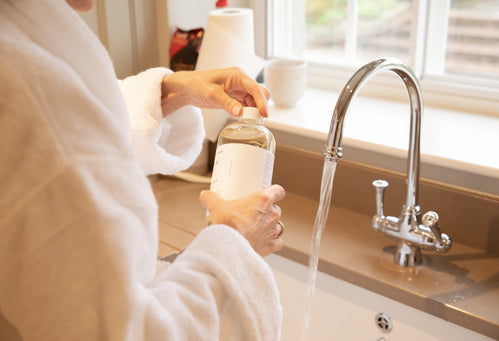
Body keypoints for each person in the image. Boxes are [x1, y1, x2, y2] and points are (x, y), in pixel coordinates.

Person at [0, 0, 286, 340]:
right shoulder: (25, 91)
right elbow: (125, 332)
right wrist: (234, 239)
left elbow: (78, 123)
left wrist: (174, 91)